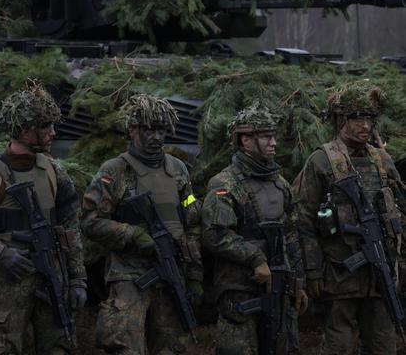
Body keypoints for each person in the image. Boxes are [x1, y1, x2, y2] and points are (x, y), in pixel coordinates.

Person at [0, 84, 86, 355]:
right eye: (46, 127)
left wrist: (78, 279)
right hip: (7, 284)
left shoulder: (54, 172)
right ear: (25, 131)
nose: (53, 133)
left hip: (53, 279)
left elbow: (71, 229)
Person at [81, 94, 203, 354]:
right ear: (132, 130)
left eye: (161, 131)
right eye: (148, 130)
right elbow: (91, 222)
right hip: (130, 274)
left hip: (172, 272)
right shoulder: (114, 171)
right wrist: (133, 233)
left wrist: (194, 275)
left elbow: (191, 222)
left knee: (175, 346)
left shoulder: (179, 169)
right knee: (124, 344)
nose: (156, 138)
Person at [295, 83, 404, 355]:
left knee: (383, 344)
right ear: (342, 121)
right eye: (357, 118)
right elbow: (304, 219)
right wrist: (312, 271)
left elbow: (400, 209)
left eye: (369, 119)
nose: (365, 125)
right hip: (340, 271)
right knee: (338, 345)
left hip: (380, 275)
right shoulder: (322, 160)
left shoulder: (382, 159)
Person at [201, 103, 308, 355]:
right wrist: (256, 258)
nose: (273, 143)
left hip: (279, 286)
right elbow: (214, 234)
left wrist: (298, 281)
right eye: (266, 137)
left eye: (274, 136)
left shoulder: (280, 184)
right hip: (241, 288)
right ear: (245, 140)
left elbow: (291, 234)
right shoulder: (225, 183)